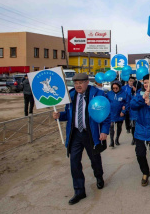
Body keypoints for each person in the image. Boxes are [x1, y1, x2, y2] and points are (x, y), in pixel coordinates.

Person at [52, 73, 109, 205]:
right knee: (74, 162)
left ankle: (99, 176)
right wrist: (59, 115)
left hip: (91, 133)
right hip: (76, 134)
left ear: (87, 82)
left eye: (80, 82)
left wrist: (104, 131)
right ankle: (79, 191)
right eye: (76, 83)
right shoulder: (71, 95)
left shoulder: (98, 94)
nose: (78, 85)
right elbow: (68, 115)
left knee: (95, 159)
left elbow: (106, 113)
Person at [106, 81, 130, 147]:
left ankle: (117, 139)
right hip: (112, 113)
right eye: (113, 88)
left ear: (119, 87)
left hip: (120, 114)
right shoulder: (109, 94)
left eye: (116, 88)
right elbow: (105, 102)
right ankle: (111, 141)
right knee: (111, 127)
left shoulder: (124, 94)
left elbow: (127, 103)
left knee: (119, 127)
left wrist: (123, 111)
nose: (115, 89)